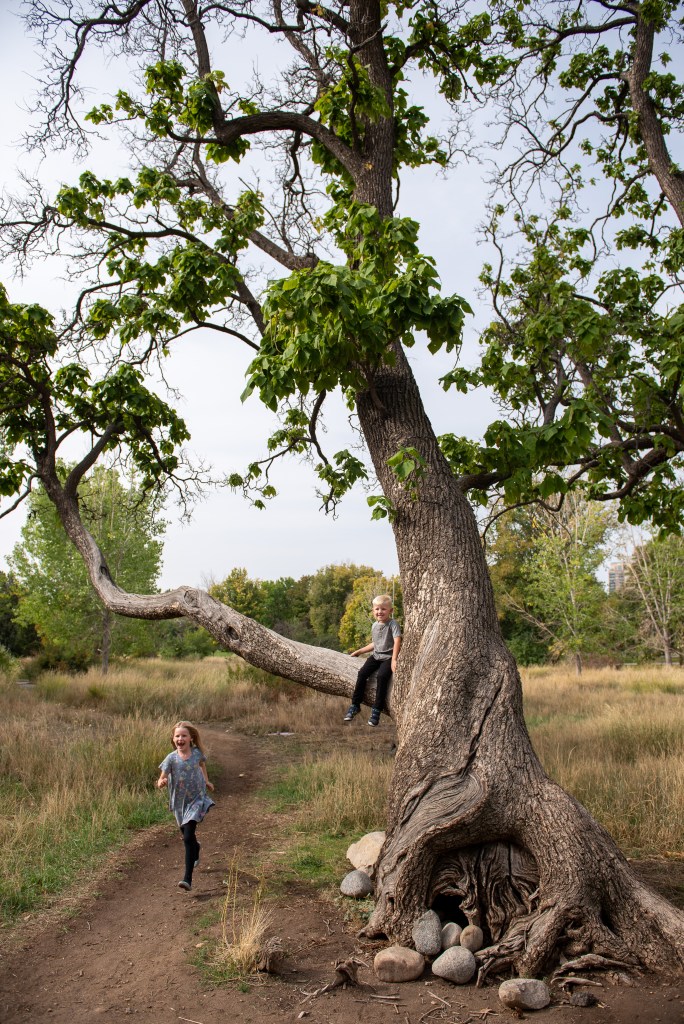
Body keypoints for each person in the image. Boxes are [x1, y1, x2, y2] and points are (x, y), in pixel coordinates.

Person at [157, 720, 215, 891]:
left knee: (188, 836)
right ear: (173, 739)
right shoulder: (171, 758)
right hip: (179, 803)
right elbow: (162, 776)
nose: (180, 739)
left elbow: (202, 765)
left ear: (191, 738)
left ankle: (187, 878)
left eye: (184, 736)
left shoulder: (197, 754)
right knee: (189, 838)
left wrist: (206, 781)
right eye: (177, 736)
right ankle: (196, 848)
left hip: (196, 800)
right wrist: (162, 781)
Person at [344, 594, 402, 727]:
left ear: (390, 611)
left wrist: (394, 659)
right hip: (376, 656)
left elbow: (397, 640)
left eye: (383, 609)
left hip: (387, 657)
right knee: (362, 673)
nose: (379, 612)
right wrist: (359, 651)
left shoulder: (393, 624)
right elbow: (375, 644)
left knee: (382, 676)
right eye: (377, 609)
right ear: (373, 610)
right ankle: (355, 705)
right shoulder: (374, 626)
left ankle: (376, 710)